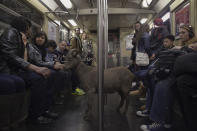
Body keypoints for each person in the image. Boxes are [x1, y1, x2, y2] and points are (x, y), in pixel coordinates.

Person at [0, 16, 54, 124]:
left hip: (17, 69)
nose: (30, 31)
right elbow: (10, 55)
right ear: (26, 26)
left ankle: (42, 110)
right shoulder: (12, 32)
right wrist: (35, 68)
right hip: (8, 70)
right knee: (38, 79)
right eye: (29, 27)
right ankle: (35, 115)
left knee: (47, 75)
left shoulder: (23, 39)